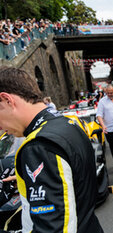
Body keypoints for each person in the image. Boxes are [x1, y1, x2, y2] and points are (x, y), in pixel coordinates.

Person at [0, 67, 103, 232]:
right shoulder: (68, 122)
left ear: (7, 99)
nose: (0, 127)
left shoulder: (39, 145)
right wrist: (34, 181)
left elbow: (53, 227)